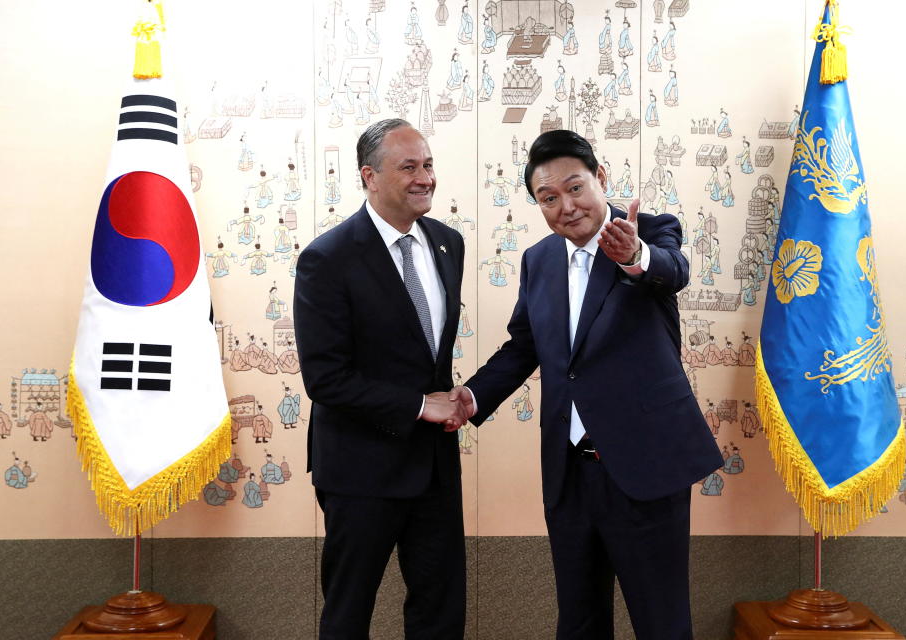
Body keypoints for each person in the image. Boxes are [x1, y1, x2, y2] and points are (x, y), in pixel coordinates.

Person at [447, 129, 722, 640]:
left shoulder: (651, 230)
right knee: (578, 622)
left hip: (645, 470)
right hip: (571, 473)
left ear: (601, 178)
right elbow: (523, 346)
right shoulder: (539, 260)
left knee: (661, 623)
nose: (565, 206)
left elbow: (671, 269)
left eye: (575, 188)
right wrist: (473, 395)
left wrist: (635, 255)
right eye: (548, 198)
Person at [294, 119, 467, 639]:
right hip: (358, 471)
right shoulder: (327, 259)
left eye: (429, 164)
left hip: (434, 469)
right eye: (408, 167)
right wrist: (419, 404)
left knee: (440, 611)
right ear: (369, 176)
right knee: (348, 615)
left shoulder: (447, 244)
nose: (425, 178)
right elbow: (325, 378)